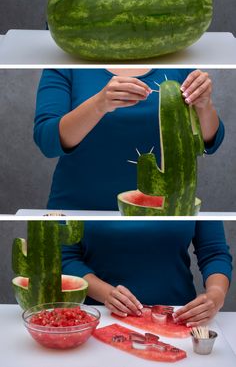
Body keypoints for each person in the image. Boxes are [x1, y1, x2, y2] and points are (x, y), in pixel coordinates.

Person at [34, 67, 224, 210]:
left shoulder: (179, 63)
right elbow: (47, 141)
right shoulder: (65, 66)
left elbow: (208, 144)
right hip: (76, 209)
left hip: (162, 210)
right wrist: (99, 104)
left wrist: (204, 105)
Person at [62, 220, 232, 327]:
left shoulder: (188, 197)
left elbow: (214, 253)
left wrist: (216, 293)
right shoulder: (78, 200)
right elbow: (65, 257)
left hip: (181, 318)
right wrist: (106, 294)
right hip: (99, 317)